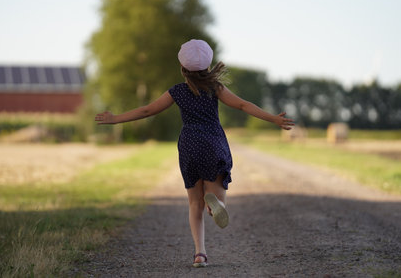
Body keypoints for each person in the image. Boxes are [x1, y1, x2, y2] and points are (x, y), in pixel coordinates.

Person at [95, 39, 295, 268]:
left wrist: (115, 119)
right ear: (208, 66)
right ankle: (216, 205)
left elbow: (147, 110)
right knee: (217, 196)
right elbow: (242, 105)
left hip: (189, 145)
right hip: (213, 142)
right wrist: (273, 118)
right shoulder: (216, 88)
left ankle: (200, 254)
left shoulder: (177, 92)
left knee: (193, 204)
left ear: (183, 69)